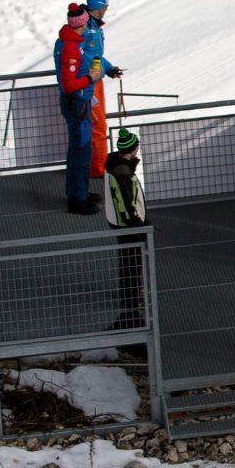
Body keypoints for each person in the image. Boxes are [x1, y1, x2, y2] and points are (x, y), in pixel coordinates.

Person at [53, 3, 102, 214]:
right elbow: (69, 83)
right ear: (80, 24)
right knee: (80, 151)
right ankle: (77, 200)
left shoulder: (66, 42)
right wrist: (89, 78)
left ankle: (79, 191)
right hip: (77, 104)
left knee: (79, 150)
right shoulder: (71, 47)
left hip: (76, 103)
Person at [103, 127, 148, 329]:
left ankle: (130, 293)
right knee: (132, 260)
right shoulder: (123, 173)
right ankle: (131, 298)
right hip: (127, 224)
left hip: (117, 221)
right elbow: (126, 202)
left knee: (127, 258)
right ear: (132, 149)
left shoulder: (115, 165)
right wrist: (137, 223)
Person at [82, 0, 124, 192]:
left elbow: (95, 54)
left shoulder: (95, 27)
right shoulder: (86, 27)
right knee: (97, 125)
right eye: (105, 5)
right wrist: (100, 69)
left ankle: (97, 166)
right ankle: (97, 170)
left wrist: (108, 69)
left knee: (99, 124)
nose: (107, 8)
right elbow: (85, 55)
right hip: (88, 82)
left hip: (95, 79)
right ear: (99, 7)